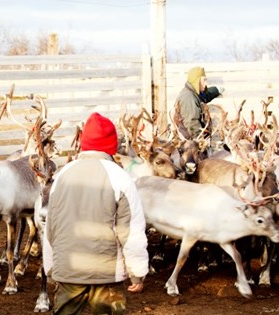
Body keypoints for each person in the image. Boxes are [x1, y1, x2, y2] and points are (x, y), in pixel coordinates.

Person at [43, 112, 149, 314]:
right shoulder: (120, 177)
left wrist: (50, 266)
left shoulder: (63, 175)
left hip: (69, 269)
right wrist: (137, 272)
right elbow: (131, 232)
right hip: (105, 272)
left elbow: (51, 226)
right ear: (112, 146)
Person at [174, 66, 222, 139]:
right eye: (204, 80)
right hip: (190, 143)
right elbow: (192, 125)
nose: (206, 84)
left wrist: (217, 90)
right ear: (196, 81)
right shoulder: (188, 98)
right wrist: (202, 142)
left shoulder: (194, 93)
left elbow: (205, 96)